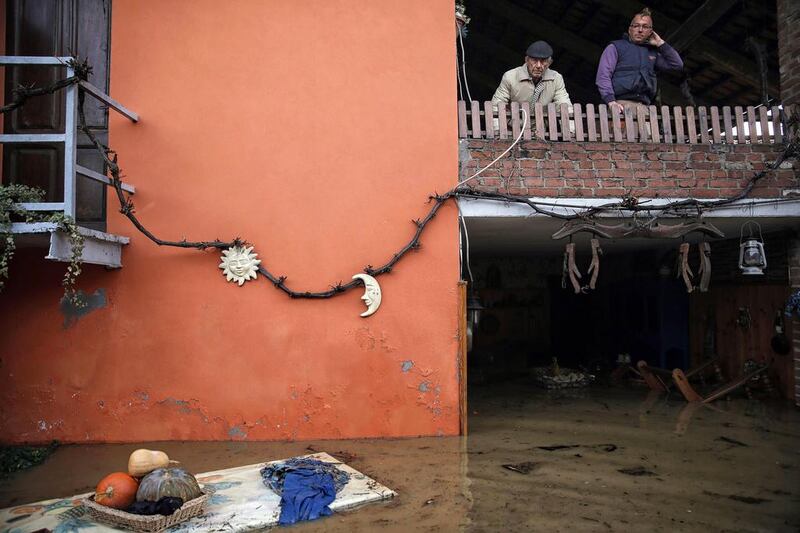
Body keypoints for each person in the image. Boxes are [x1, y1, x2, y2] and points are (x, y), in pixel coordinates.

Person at [595, 8, 683, 113]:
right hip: (619, 105)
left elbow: (677, 65)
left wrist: (660, 43)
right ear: (629, 29)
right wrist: (611, 102)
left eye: (645, 27)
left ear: (651, 32)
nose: (640, 30)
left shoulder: (652, 52)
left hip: (645, 108)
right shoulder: (616, 47)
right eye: (636, 26)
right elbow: (603, 76)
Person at [492, 41, 571, 106]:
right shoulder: (510, 77)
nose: (539, 66)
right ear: (526, 60)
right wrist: (498, 125)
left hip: (542, 125)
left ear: (550, 63)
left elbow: (563, 104)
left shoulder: (556, 78)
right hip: (514, 124)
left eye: (543, 61)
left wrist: (570, 125)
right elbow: (497, 104)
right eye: (534, 60)